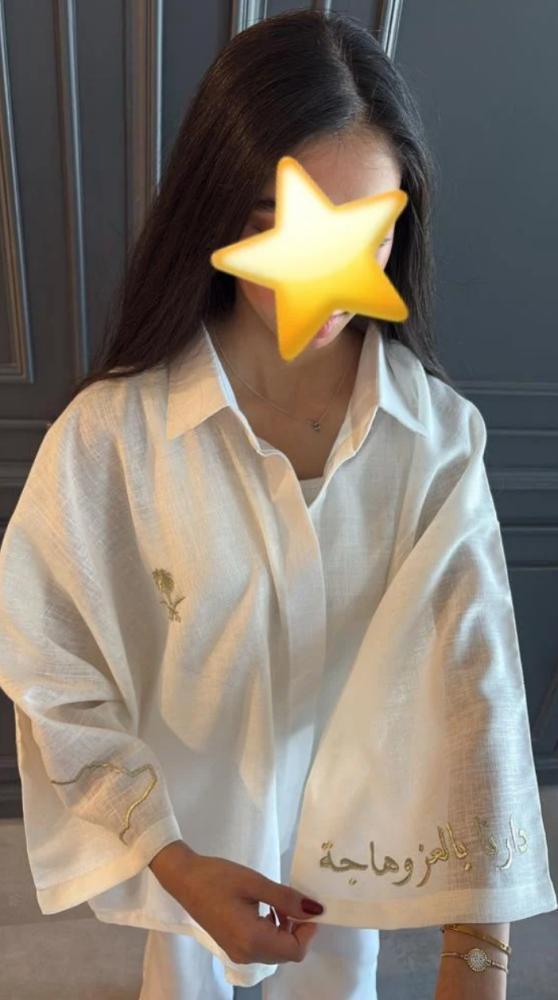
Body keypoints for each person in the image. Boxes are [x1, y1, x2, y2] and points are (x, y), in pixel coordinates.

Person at [0, 9, 555, 1000]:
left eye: (368, 227)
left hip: (360, 861)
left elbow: (478, 684)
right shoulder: (112, 440)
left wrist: (480, 951)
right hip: (190, 847)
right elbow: (50, 669)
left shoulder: (434, 441)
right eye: (272, 218)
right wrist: (173, 861)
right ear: (216, 210)